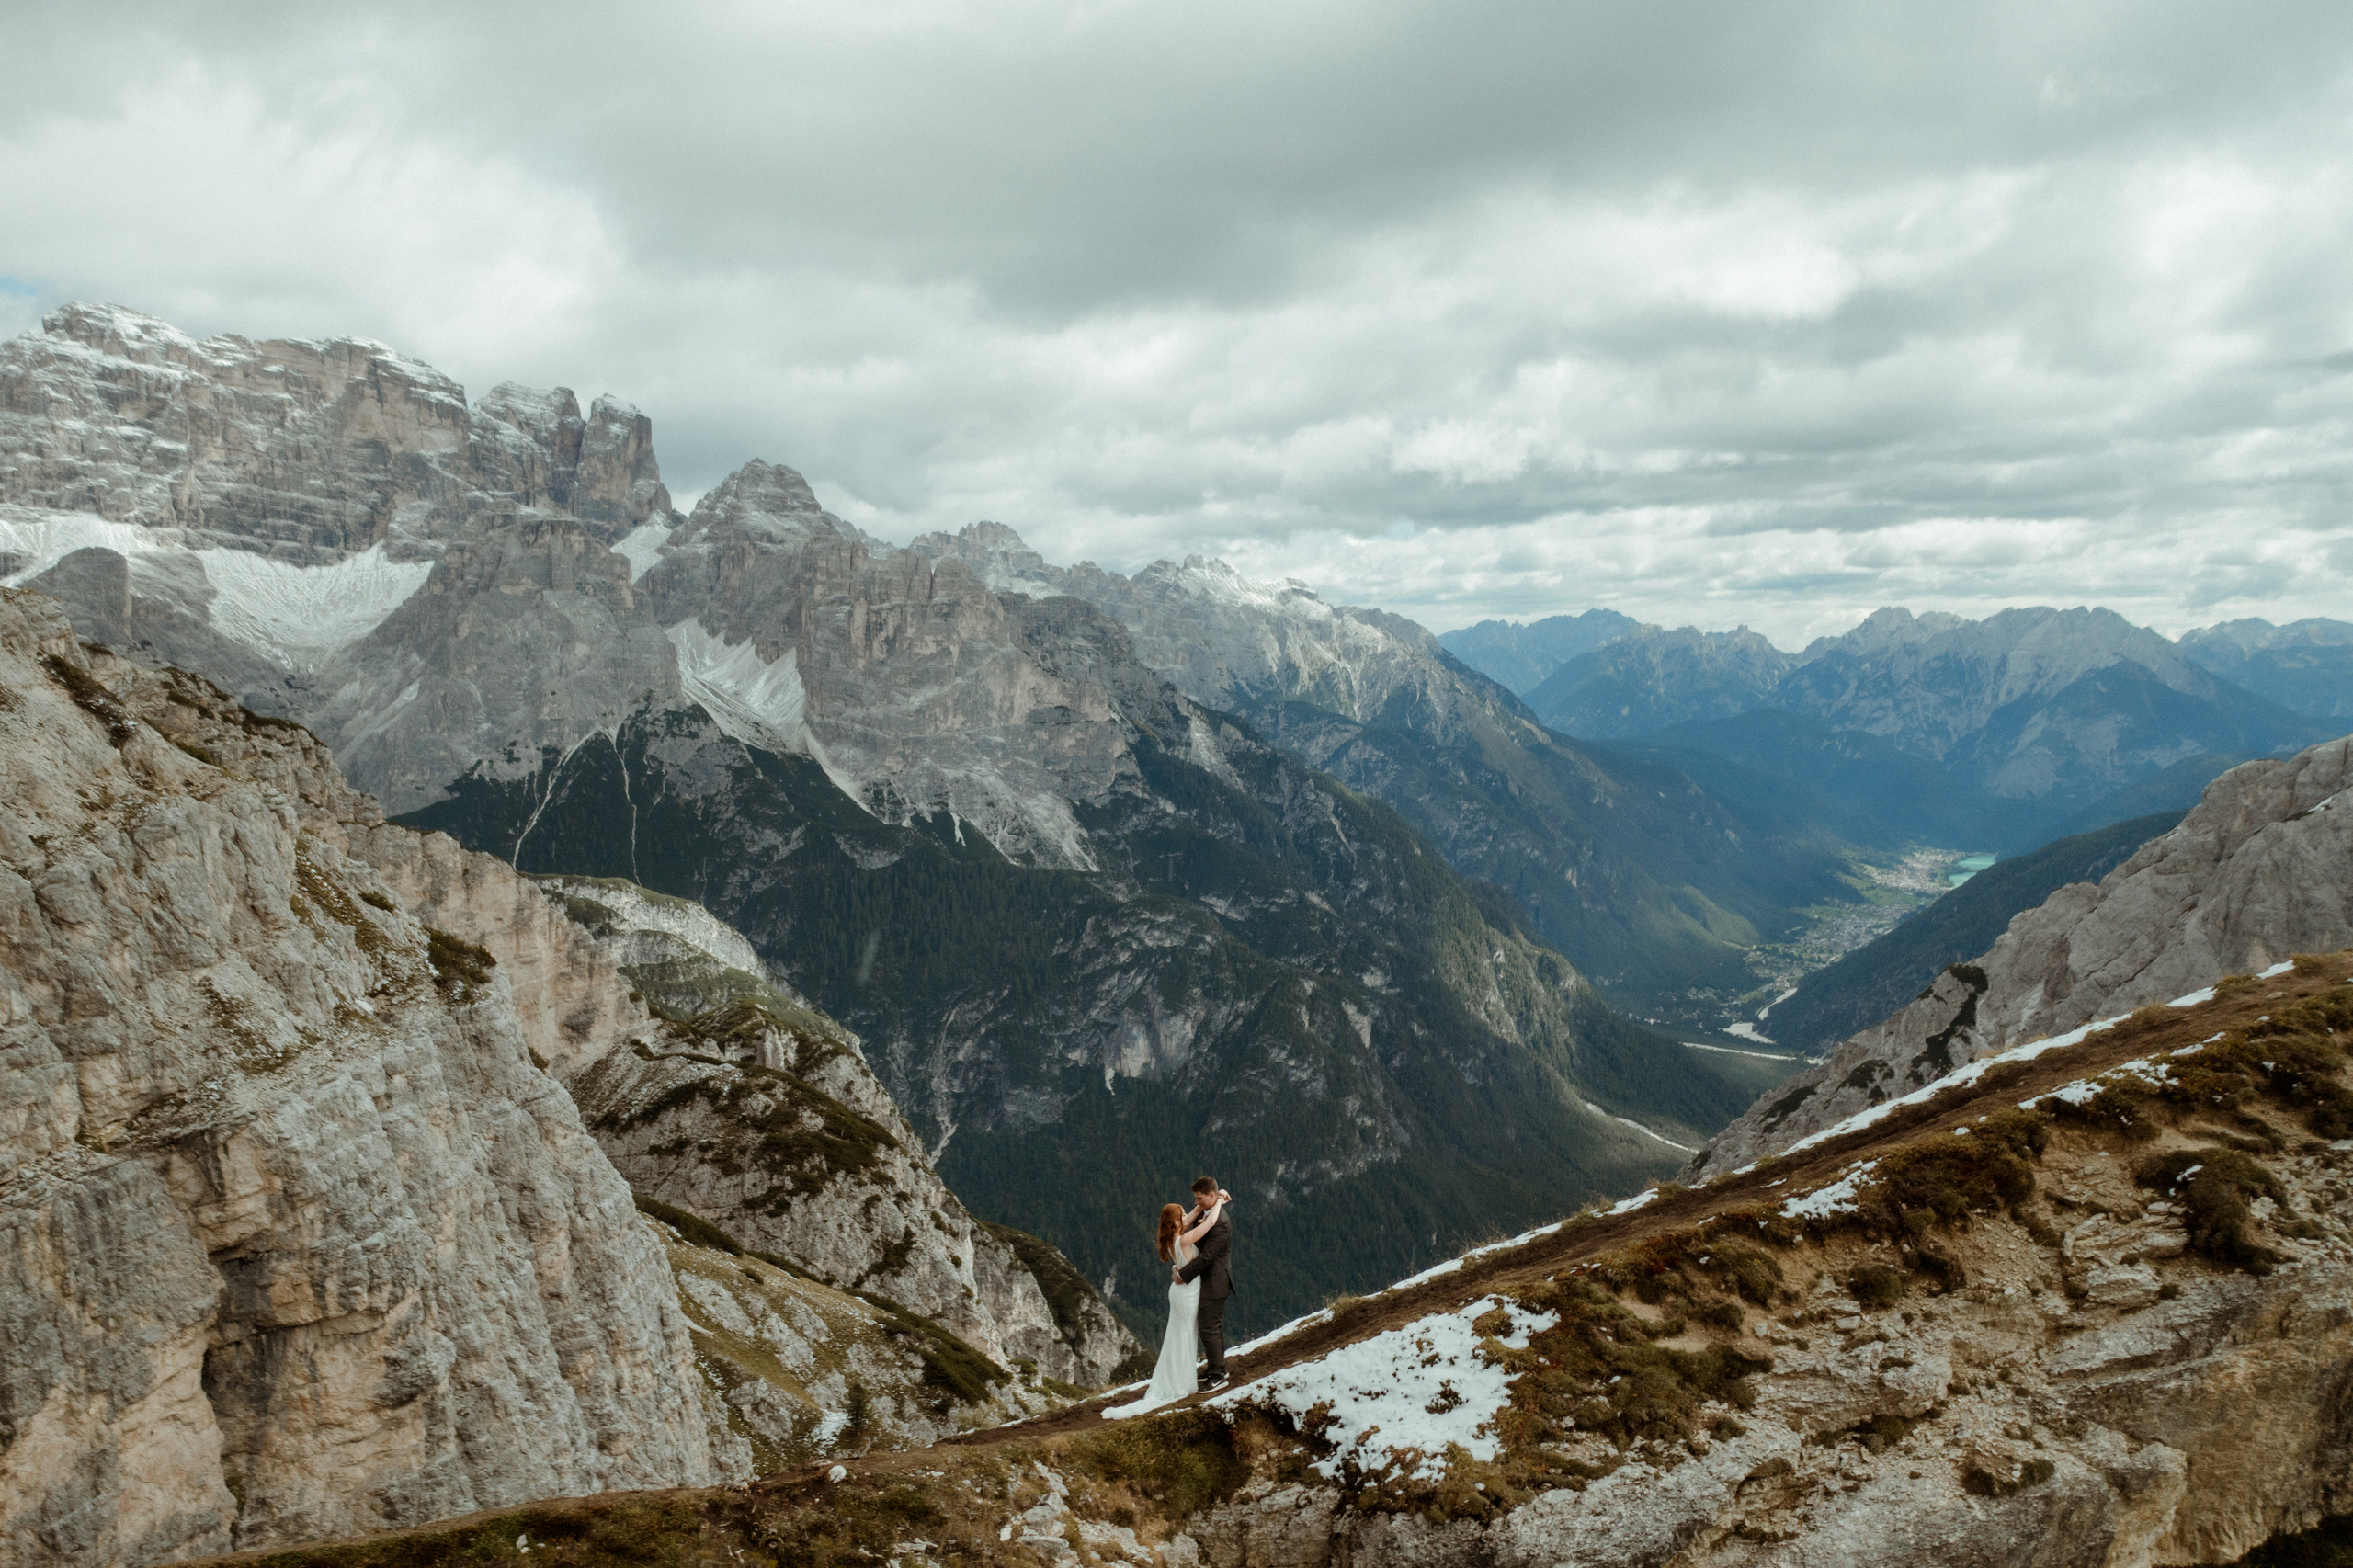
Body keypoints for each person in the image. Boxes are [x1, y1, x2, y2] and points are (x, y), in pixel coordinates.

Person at [1101, 1185, 1231, 1417]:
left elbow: (1190, 1218)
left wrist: (1200, 1207)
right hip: (1188, 1293)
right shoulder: (1184, 1239)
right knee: (1187, 1334)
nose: (1188, 1215)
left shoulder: (1172, 1237)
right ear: (1177, 1223)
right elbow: (1211, 1222)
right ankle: (1185, 1378)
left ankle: (1182, 1373)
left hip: (1179, 1291)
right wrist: (1220, 1199)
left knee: (1178, 1334)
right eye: (1183, 1215)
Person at [1176, 1176, 1234, 1391]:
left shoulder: (1221, 1224)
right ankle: (1217, 1367)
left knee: (1209, 1327)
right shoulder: (1207, 1212)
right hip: (1210, 1280)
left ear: (1211, 1196)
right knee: (1211, 1326)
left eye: (1199, 1198)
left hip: (1216, 1282)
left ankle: (1218, 1375)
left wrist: (1182, 1275)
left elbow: (1207, 1257)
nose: (1196, 1202)